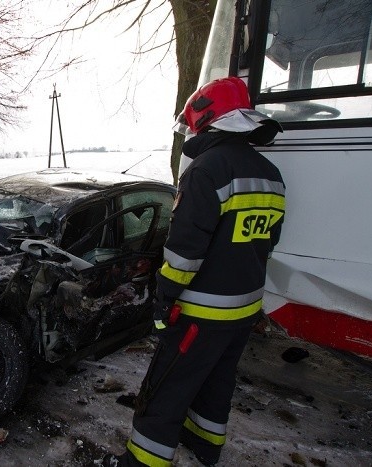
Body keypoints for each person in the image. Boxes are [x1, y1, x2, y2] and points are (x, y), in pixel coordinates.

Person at [111, 77, 285, 466]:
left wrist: (163, 297)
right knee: (217, 381)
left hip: (201, 313)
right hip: (243, 309)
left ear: (207, 120)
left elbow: (185, 252)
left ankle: (141, 462)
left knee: (166, 387)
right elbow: (266, 243)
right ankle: (205, 445)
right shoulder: (270, 174)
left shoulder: (206, 170)